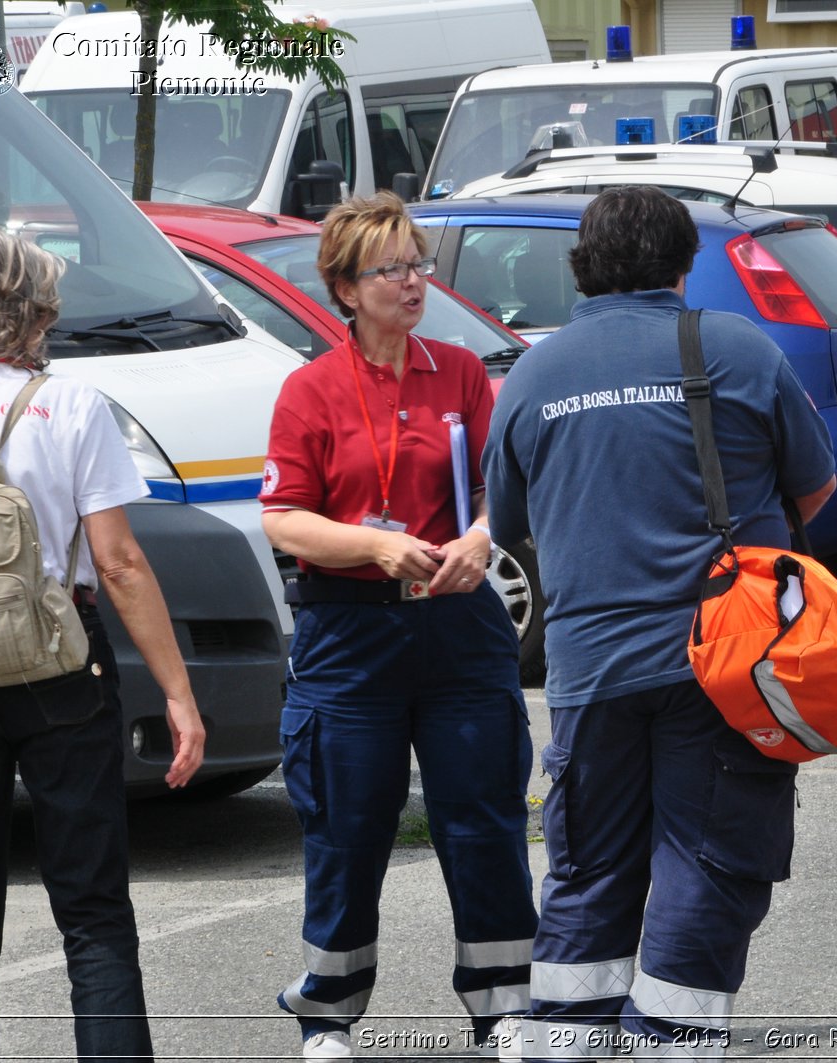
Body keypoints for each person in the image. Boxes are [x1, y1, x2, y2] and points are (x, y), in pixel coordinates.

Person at [481, 185, 836, 1062]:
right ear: (687, 264)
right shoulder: (739, 352)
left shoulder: (533, 372)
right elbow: (816, 487)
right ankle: (666, 1044)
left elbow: (506, 518)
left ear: (582, 266)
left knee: (589, 868)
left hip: (587, 671)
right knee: (708, 858)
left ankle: (567, 1041)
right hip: (721, 666)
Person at [258, 192, 537, 1061]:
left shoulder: (457, 372)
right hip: (351, 630)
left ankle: (504, 1006)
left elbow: (503, 490)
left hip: (459, 624)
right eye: (392, 269)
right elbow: (284, 518)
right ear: (345, 287)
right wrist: (370, 549)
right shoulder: (309, 390)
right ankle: (329, 1014)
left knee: (482, 816)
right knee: (347, 822)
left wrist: (480, 539)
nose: (414, 281)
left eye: (419, 264)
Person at [0, 225, 206, 1062]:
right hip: (61, 666)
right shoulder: (69, 403)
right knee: (92, 914)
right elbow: (119, 564)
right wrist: (179, 695)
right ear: (28, 308)